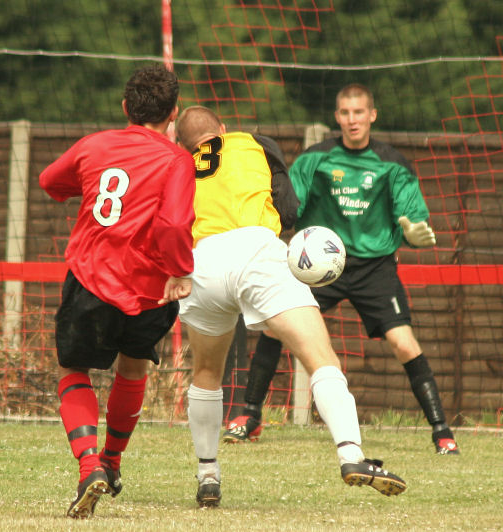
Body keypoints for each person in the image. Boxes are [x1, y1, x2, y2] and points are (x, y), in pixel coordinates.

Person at [174, 105, 407, 508]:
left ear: (183, 145)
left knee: (207, 372)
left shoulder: (177, 165)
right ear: (223, 130)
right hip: (254, 251)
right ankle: (352, 455)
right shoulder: (255, 144)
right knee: (321, 358)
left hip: (200, 261)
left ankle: (208, 475)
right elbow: (288, 210)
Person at [223, 84, 460, 456]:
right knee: (274, 329)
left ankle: (442, 431)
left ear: (372, 115)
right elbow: (291, 205)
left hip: (374, 266)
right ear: (337, 117)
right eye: (345, 113)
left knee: (403, 342)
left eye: (359, 113)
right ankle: (249, 415)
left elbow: (412, 215)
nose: (352, 120)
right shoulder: (315, 159)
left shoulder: (392, 163)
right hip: (318, 266)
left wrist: (413, 231)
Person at [39, 64, 196, 519]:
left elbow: (51, 182)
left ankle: (90, 466)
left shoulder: (96, 144)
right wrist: (181, 270)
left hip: (92, 277)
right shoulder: (177, 159)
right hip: (151, 288)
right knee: (133, 368)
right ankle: (112, 459)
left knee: (73, 368)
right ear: (173, 114)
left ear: (125, 108)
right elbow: (171, 223)